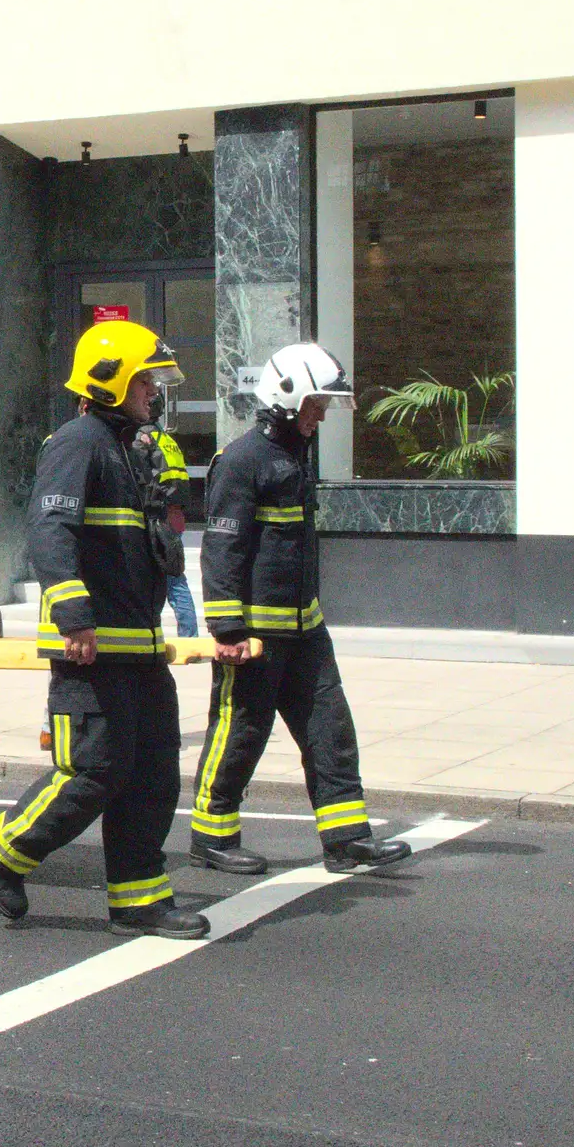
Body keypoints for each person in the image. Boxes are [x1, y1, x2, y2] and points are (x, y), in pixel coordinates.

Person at [0, 322, 208, 938]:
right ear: (109, 382)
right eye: (143, 380)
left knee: (154, 772)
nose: (153, 391)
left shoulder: (133, 448)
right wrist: (74, 615)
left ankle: (139, 901)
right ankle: (6, 847)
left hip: (136, 648)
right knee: (95, 770)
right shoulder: (77, 442)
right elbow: (50, 533)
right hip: (91, 649)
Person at [189, 343, 413, 876]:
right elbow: (223, 547)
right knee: (241, 731)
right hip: (257, 638)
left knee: (331, 731)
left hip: (306, 629)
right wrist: (226, 627)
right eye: (315, 404)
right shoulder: (243, 460)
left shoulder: (293, 455)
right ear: (285, 396)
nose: (321, 415)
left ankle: (347, 838)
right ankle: (212, 836)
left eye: (325, 405)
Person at [131, 407, 198, 638]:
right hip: (175, 517)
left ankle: (182, 637)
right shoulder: (167, 439)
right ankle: (189, 636)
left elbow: (138, 476)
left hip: (160, 519)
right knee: (175, 579)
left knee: (168, 583)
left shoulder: (143, 439)